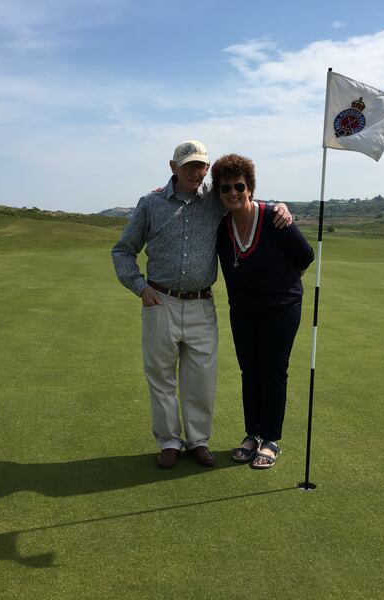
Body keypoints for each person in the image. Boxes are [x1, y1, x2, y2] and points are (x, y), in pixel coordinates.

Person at [111, 141, 293, 469]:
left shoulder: (215, 200)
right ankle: (168, 441)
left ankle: (198, 441)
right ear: (173, 167)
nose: (197, 172)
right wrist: (140, 288)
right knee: (161, 377)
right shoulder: (150, 204)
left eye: (202, 166)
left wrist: (279, 206)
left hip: (201, 303)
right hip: (161, 300)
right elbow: (123, 251)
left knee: (201, 378)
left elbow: (244, 198)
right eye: (189, 166)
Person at [212, 154, 314, 469]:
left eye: (239, 186)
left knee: (272, 372)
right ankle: (252, 434)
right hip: (243, 311)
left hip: (281, 310)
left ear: (250, 188)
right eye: (225, 187)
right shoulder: (222, 225)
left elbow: (305, 256)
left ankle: (270, 440)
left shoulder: (274, 218)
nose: (233, 192)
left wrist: (282, 287)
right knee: (250, 372)